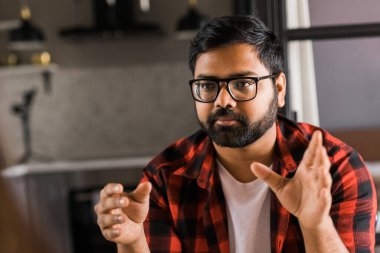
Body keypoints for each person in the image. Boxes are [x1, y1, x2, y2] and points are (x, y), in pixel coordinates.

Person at [94, 15, 377, 252]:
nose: (223, 101)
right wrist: (132, 242)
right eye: (207, 86)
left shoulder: (337, 168)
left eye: (242, 83)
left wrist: (316, 224)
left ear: (279, 89)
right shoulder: (165, 177)